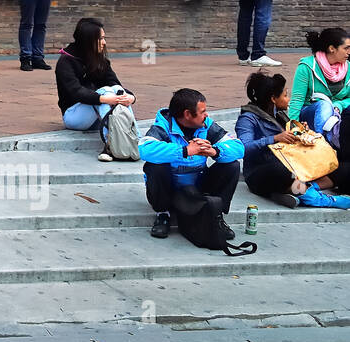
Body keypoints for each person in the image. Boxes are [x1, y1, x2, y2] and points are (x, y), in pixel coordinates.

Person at [139, 88, 244, 239]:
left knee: (231, 165)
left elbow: (238, 147)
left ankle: (217, 215)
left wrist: (214, 151)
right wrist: (185, 151)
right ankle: (163, 214)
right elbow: (145, 149)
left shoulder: (206, 125)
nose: (206, 115)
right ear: (188, 114)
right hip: (170, 190)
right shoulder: (164, 126)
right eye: (203, 111)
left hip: (198, 187)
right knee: (155, 166)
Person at [235, 70, 350, 208]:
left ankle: (303, 189)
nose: (288, 99)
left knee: (344, 167)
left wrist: (300, 132)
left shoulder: (280, 115)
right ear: (273, 99)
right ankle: (319, 199)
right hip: (261, 171)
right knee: (283, 171)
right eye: (285, 95)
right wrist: (274, 138)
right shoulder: (247, 119)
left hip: (294, 165)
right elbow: (243, 148)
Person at [55, 17, 136, 162]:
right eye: (100, 39)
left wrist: (130, 97)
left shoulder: (98, 59)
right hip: (74, 116)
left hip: (98, 115)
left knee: (116, 89)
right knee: (105, 91)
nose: (104, 43)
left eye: (104, 38)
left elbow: (115, 83)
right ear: (87, 40)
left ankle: (136, 140)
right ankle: (110, 145)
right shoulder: (66, 62)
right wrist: (103, 98)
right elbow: (76, 92)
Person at [288, 27, 350, 152]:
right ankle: (324, 147)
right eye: (346, 48)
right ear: (332, 48)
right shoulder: (307, 67)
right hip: (310, 114)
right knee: (324, 105)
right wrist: (293, 129)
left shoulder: (349, 67)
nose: (349, 52)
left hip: (338, 114)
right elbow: (297, 100)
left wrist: (339, 104)